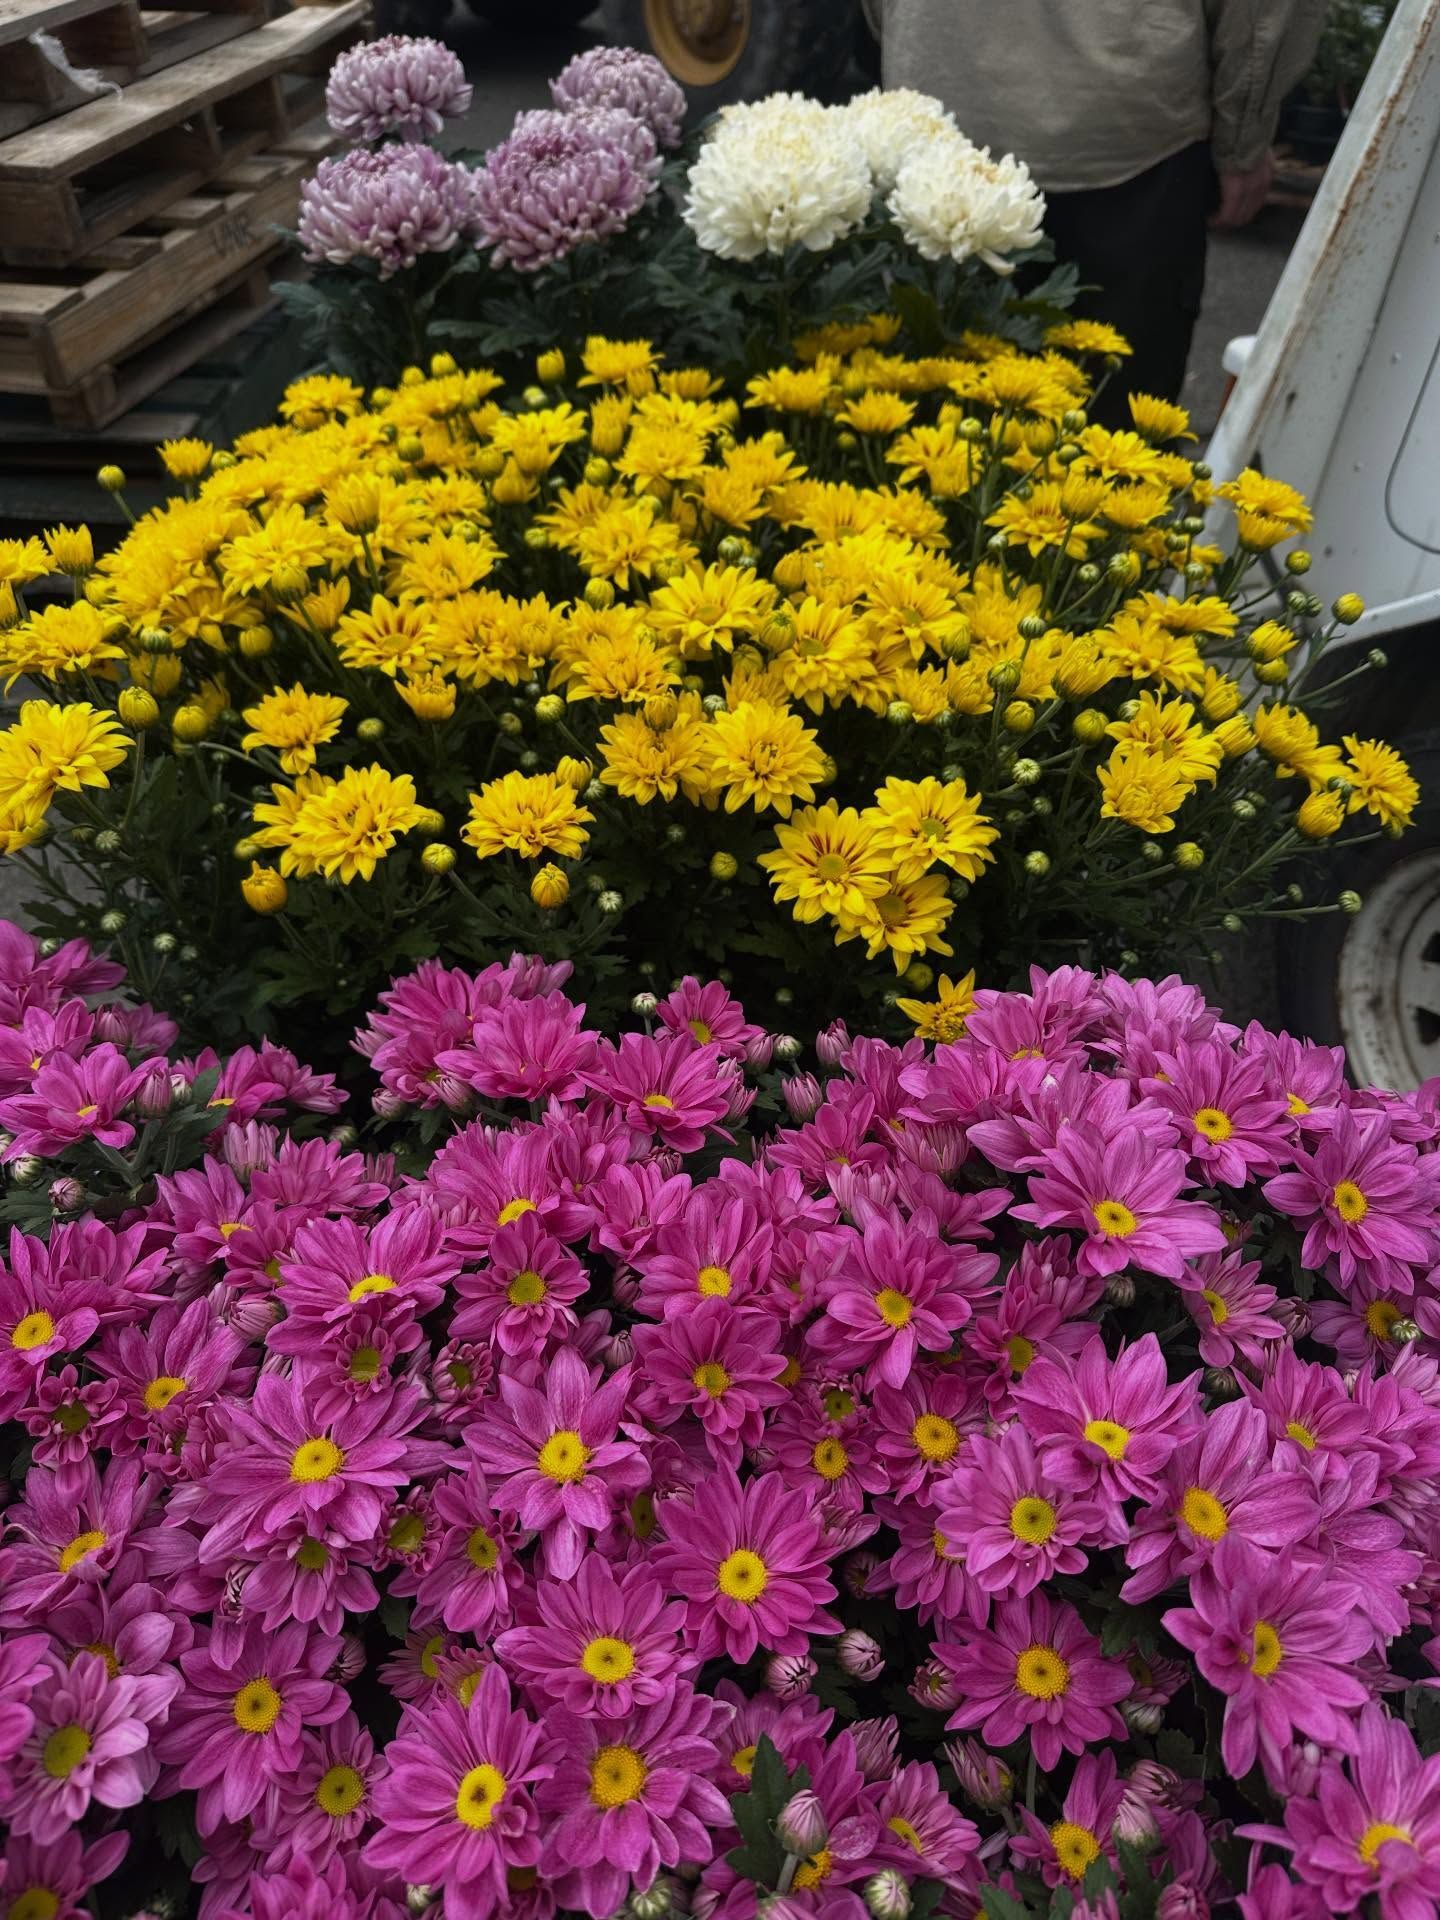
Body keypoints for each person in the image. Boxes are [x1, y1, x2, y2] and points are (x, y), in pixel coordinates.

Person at [870, 0, 1327, 415]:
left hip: (942, 115)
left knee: (937, 432)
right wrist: (1243, 137)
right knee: (1108, 440)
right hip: (1126, 133)